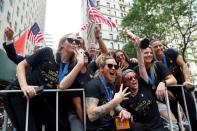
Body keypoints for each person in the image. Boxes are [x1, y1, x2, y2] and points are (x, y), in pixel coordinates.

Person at [3, 33, 83, 131]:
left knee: (60, 126)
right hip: (19, 94)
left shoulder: (72, 66)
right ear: (62, 44)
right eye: (71, 40)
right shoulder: (47, 52)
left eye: (77, 41)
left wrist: (80, 64)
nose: (74, 42)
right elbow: (21, 65)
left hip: (38, 98)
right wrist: (24, 86)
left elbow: (62, 86)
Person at [59, 25, 110, 131]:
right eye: (82, 53)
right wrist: (87, 125)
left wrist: (98, 37)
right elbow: (77, 106)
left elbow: (106, 53)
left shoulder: (90, 67)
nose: (85, 55)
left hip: (92, 110)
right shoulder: (72, 73)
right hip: (77, 114)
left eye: (86, 53)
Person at [125, 32, 179, 130]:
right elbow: (141, 68)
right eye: (146, 53)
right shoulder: (137, 69)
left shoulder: (157, 65)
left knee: (174, 121)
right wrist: (138, 48)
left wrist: (163, 83)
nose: (149, 54)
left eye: (150, 53)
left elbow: (173, 80)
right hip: (147, 103)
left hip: (162, 99)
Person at [150, 39, 197, 130]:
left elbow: (183, 65)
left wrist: (187, 80)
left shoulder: (171, 53)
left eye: (160, 45)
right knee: (176, 116)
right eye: (155, 47)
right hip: (169, 92)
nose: (159, 48)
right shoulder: (152, 63)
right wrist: (166, 91)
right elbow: (153, 80)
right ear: (151, 49)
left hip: (182, 87)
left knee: (192, 114)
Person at [85, 56, 131, 131]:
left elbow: (115, 105)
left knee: (136, 126)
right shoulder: (93, 85)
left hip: (111, 124)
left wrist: (122, 111)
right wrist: (116, 101)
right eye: (110, 65)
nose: (113, 68)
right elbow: (91, 115)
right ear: (102, 68)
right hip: (99, 128)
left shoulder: (111, 85)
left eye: (115, 66)